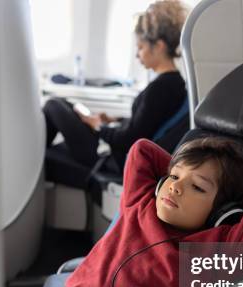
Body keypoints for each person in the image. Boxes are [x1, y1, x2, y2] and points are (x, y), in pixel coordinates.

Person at [65, 136, 243, 287]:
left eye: (197, 187)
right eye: (174, 176)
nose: (175, 188)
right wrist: (191, 164)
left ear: (222, 211)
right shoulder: (139, 202)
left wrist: (227, 215)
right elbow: (142, 149)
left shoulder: (221, 250)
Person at [43, 0, 189, 170]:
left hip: (115, 157)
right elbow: (145, 123)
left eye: (140, 47)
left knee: (53, 105)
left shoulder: (160, 89)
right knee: (67, 105)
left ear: (158, 47)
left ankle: (31, 163)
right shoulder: (174, 82)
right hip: (116, 149)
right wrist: (114, 120)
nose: (137, 55)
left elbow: (130, 139)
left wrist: (98, 126)